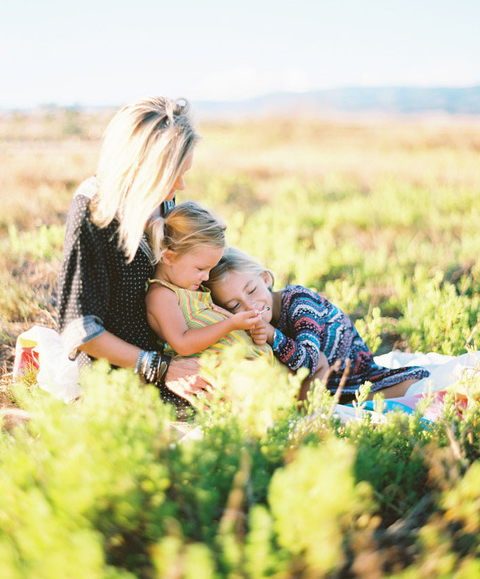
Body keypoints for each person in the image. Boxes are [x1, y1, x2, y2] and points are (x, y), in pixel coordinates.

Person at [56, 96, 210, 405]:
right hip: (122, 375)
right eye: (173, 174)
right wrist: (161, 368)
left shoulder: (160, 199)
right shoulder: (93, 210)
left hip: (173, 345)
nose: (180, 185)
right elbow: (80, 330)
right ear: (141, 167)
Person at [204, 247, 431, 403]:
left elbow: (311, 362)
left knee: (411, 388)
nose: (250, 306)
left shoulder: (300, 303)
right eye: (235, 305)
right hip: (323, 384)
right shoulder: (245, 323)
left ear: (265, 278)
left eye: (252, 291)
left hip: (356, 375)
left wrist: (272, 335)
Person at [144, 201, 279, 367]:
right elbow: (183, 343)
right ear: (169, 257)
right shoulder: (162, 295)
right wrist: (231, 324)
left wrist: (248, 328)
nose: (206, 277)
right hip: (230, 374)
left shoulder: (191, 287)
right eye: (201, 268)